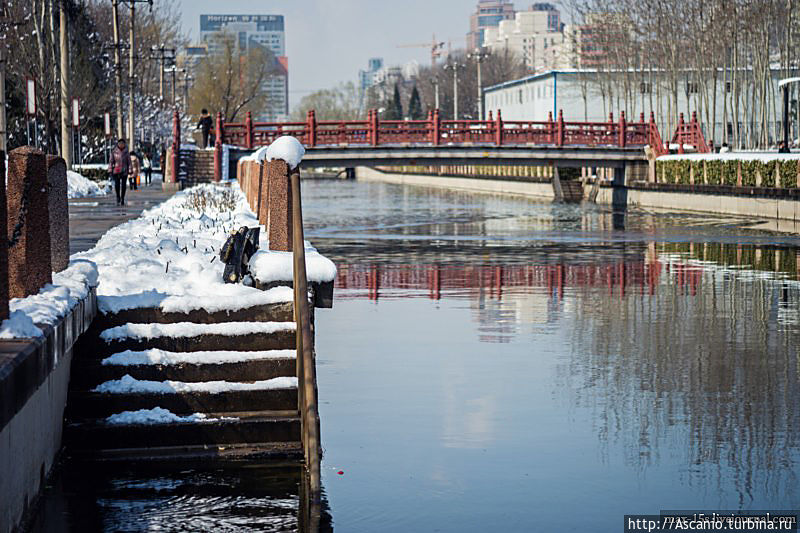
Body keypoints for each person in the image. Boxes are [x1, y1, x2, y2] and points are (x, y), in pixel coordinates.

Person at [108, 138, 132, 206]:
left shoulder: (126, 152)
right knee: (117, 185)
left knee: (124, 185)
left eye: (122, 143)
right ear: (118, 144)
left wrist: (130, 169)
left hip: (124, 170)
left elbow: (129, 162)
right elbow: (111, 161)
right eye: (120, 143)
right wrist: (110, 169)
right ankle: (118, 196)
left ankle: (122, 198)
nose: (121, 145)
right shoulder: (114, 151)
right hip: (116, 170)